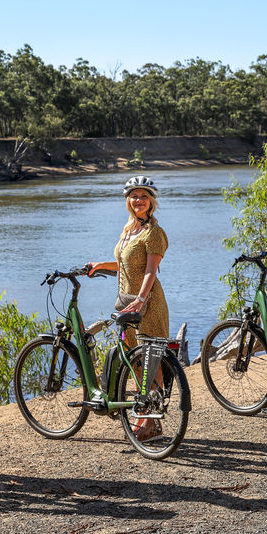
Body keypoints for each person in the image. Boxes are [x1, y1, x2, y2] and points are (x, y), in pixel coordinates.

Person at [86, 175, 169, 440]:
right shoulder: (128, 230)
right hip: (125, 303)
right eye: (134, 196)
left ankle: (149, 421)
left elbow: (150, 271)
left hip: (148, 303)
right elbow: (122, 264)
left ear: (151, 201)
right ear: (128, 200)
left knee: (150, 361)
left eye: (144, 196)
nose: (139, 200)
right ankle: (146, 412)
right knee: (133, 360)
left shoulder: (154, 233)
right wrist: (100, 265)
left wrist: (141, 300)